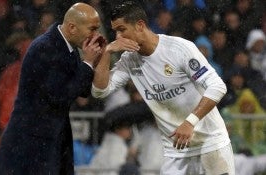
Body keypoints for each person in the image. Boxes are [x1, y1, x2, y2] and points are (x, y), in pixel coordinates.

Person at [92, 1, 235, 174]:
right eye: (115, 31)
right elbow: (99, 91)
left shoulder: (179, 49)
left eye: (121, 29)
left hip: (211, 143)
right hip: (176, 152)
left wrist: (190, 122)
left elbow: (217, 86)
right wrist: (107, 52)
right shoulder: (129, 61)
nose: (117, 37)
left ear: (140, 25)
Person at [0, 3, 105, 174]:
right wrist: (88, 63)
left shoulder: (68, 48)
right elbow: (60, 95)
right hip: (29, 145)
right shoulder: (45, 48)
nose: (96, 35)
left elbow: (82, 91)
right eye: (92, 29)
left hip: (50, 142)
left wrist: (93, 61)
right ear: (72, 27)